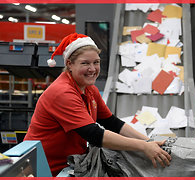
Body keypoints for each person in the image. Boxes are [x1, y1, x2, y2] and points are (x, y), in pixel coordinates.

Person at [24, 33, 171, 176]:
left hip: (68, 165)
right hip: (43, 169)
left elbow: (112, 123)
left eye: (96, 62)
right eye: (85, 63)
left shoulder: (90, 90)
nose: (93, 69)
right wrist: (143, 147)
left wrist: (149, 141)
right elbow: (94, 135)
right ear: (69, 64)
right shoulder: (62, 92)